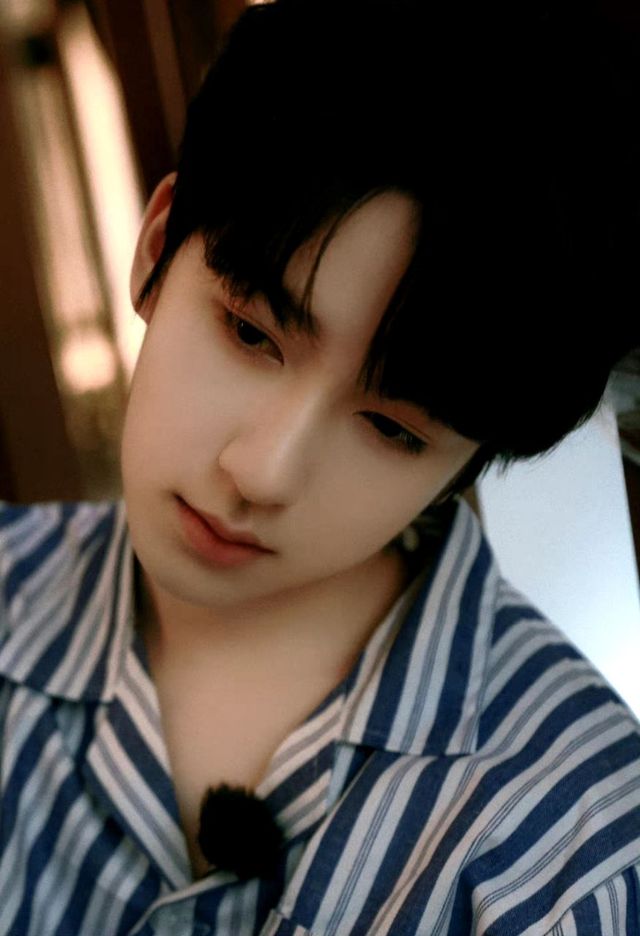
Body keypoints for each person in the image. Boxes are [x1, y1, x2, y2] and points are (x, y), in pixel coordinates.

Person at [1, 0, 639, 932]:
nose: (263, 472)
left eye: (393, 431)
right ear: (156, 248)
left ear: (463, 467)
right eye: (248, 332)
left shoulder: (574, 857)